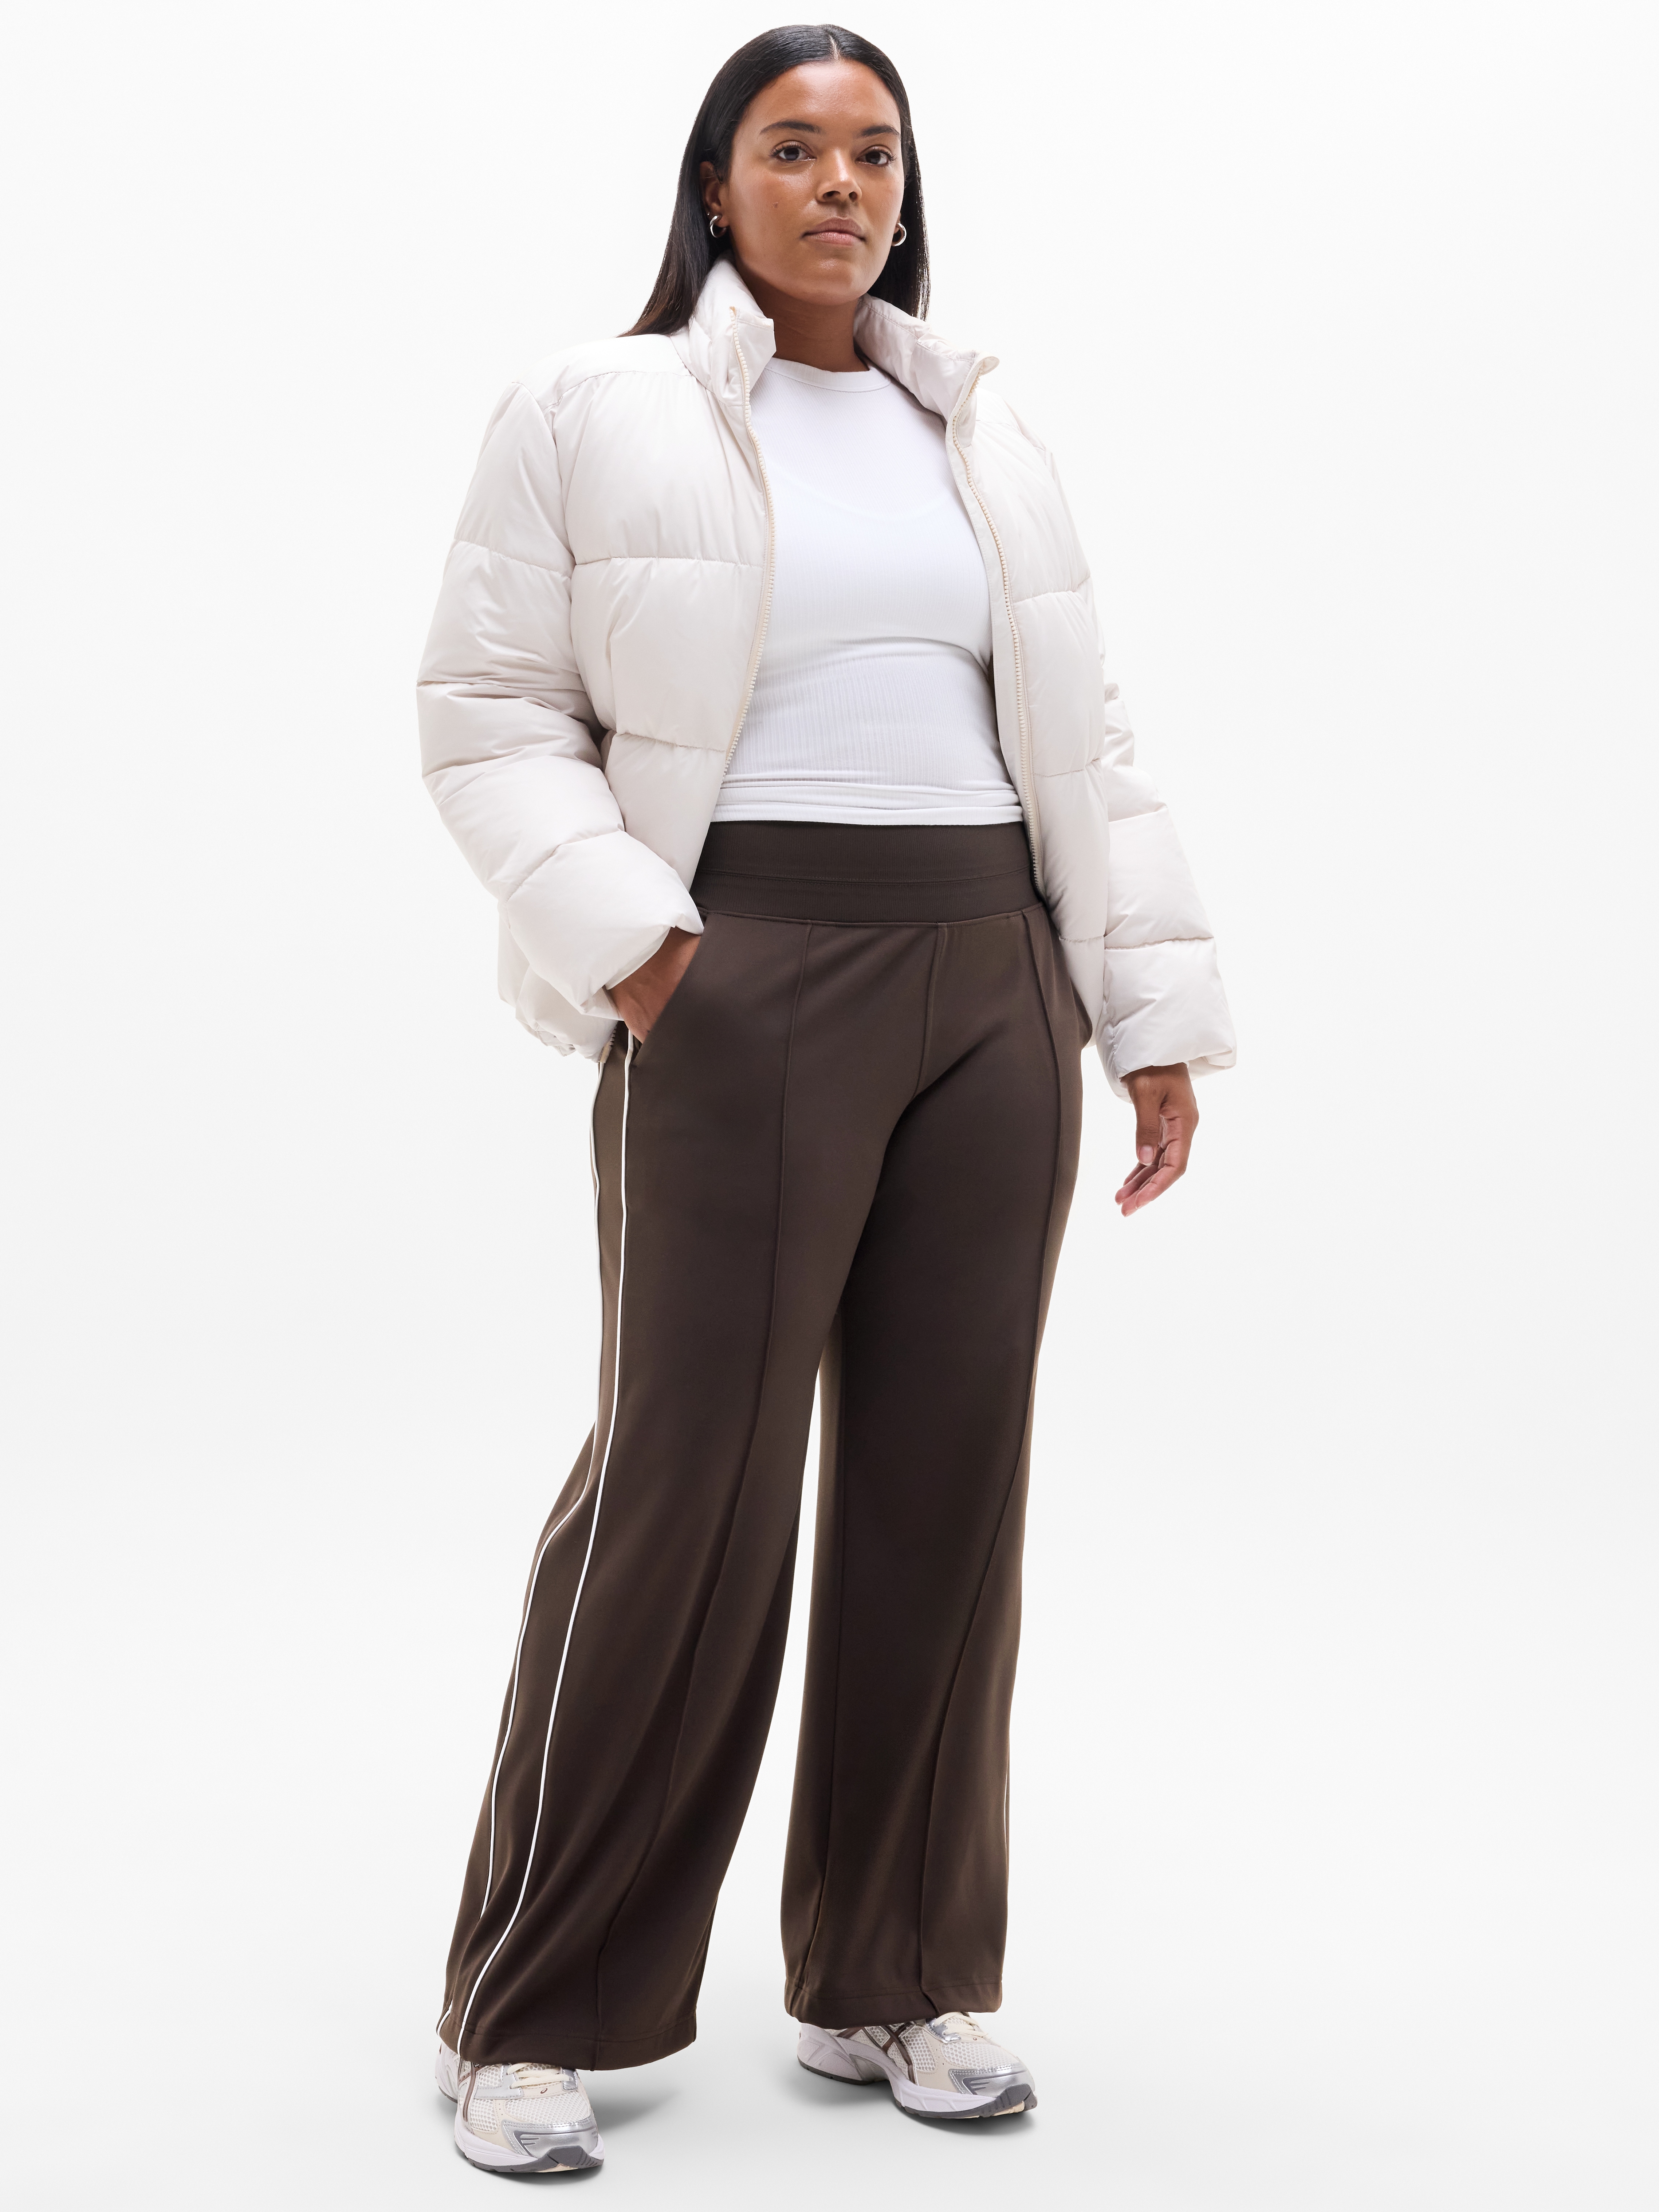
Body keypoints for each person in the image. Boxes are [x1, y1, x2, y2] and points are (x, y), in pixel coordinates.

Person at [417, 21, 1235, 2176]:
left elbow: (1089, 736)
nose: (842, 184)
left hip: (995, 975)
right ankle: (536, 2004)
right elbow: (488, 707)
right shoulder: (594, 407)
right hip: (743, 967)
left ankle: (896, 1975)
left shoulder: (981, 424)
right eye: (794, 148)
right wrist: (649, 950)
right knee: (687, 1486)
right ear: (718, 183)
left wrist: (1145, 1010)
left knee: (948, 1488)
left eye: (876, 150)